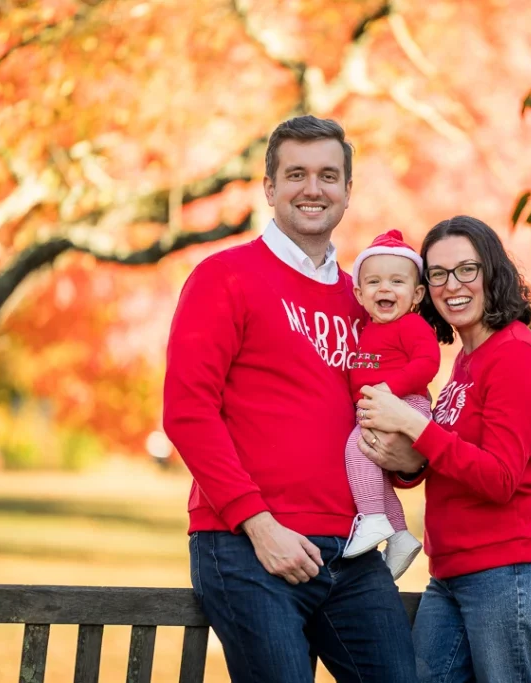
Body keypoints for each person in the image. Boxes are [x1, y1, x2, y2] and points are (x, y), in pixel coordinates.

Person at [162, 115, 417, 683]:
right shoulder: (224, 277)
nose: (312, 188)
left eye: (329, 175)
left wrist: (409, 461)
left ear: (348, 193)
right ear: (270, 188)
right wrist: (259, 525)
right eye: (296, 174)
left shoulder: (365, 300)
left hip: (351, 552)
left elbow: (384, 415)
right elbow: (187, 412)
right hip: (249, 548)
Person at [354, 215, 531, 683]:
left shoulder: (515, 354)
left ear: (492, 272)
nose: (453, 285)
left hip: (506, 570)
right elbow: (446, 455)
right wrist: (410, 463)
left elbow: (500, 478)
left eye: (466, 269)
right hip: (450, 569)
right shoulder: (467, 360)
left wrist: (411, 424)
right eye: (439, 274)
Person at [342, 229, 440, 580]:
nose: (385, 289)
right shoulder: (367, 329)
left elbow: (427, 363)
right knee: (372, 472)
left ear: (416, 295)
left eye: (397, 281)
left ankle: (372, 520)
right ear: (359, 293)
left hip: (406, 405)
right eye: (374, 282)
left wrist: (388, 389)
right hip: (381, 407)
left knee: (355, 450)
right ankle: (398, 536)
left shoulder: (411, 325)